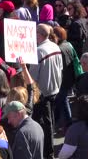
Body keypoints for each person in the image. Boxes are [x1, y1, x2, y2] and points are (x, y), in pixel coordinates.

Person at [29, 24, 63, 159]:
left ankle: (47, 153)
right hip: (55, 90)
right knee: (50, 122)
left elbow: (32, 78)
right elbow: (60, 69)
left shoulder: (38, 51)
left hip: (42, 94)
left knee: (44, 125)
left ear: (39, 34)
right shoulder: (55, 47)